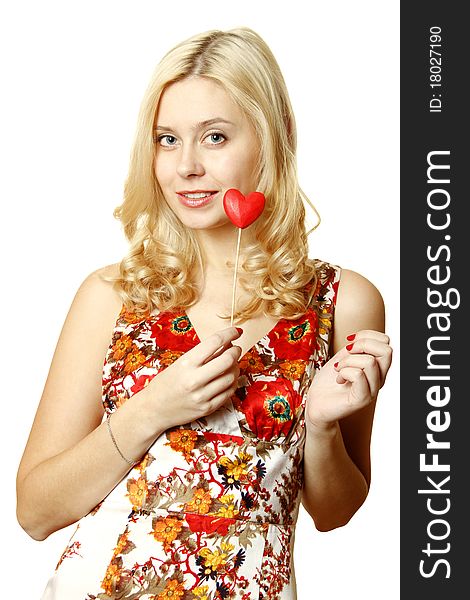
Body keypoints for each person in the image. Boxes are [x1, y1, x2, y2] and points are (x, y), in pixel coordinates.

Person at [16, 27, 392, 600]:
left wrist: (318, 425)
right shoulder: (112, 295)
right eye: (167, 139)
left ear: (269, 139)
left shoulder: (344, 301)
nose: (186, 165)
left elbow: (334, 512)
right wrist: (152, 410)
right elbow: (34, 512)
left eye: (214, 137)